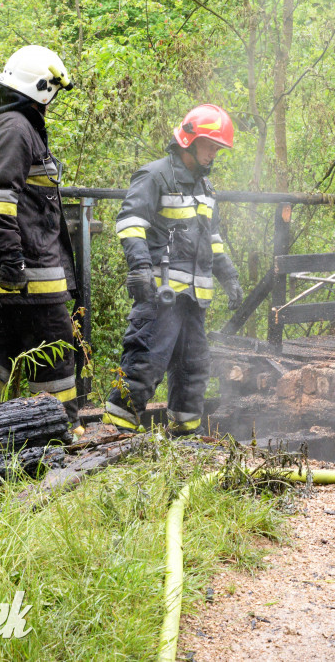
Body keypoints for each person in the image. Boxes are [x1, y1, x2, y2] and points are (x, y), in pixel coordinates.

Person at [0, 45, 81, 431]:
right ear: (41, 87)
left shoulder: (6, 122)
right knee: (55, 344)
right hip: (26, 271)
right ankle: (56, 433)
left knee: (6, 339)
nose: (52, 100)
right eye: (52, 92)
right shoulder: (14, 126)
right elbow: (0, 199)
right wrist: (14, 262)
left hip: (20, 268)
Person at [102, 104, 243, 436]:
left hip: (194, 298)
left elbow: (214, 241)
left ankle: (183, 435)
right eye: (210, 146)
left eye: (217, 148)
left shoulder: (206, 191)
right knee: (146, 360)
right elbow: (130, 222)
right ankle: (117, 434)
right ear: (189, 140)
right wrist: (139, 268)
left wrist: (230, 278)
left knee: (194, 368)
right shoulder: (154, 176)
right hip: (160, 295)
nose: (213, 154)